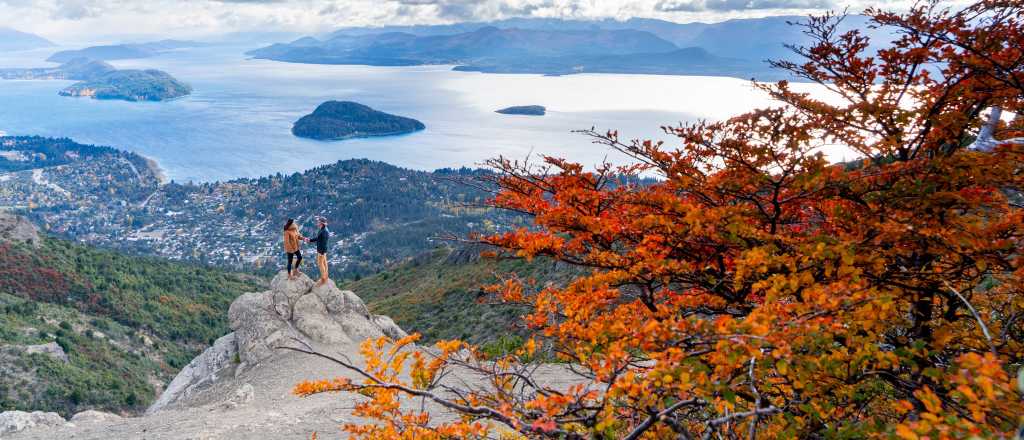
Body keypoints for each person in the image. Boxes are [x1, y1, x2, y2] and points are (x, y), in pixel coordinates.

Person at [307, 216, 331, 285]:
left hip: (321, 250)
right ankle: (325, 277)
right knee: (324, 263)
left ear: (321, 223)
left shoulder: (323, 231)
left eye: (318, 221)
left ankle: (323, 279)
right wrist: (310, 240)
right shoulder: (324, 229)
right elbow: (318, 238)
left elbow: (323, 242)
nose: (317, 222)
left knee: (320, 264)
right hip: (323, 249)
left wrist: (322, 252)